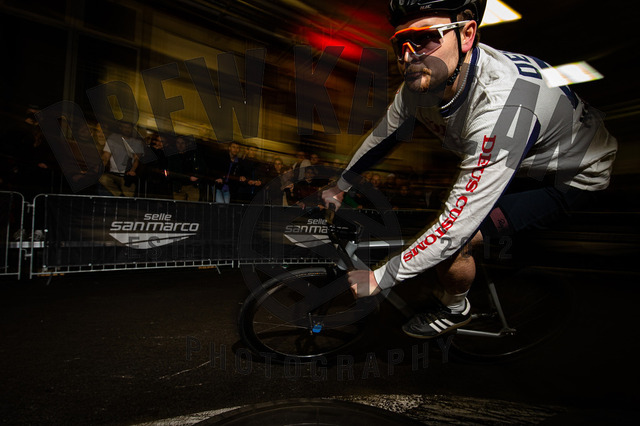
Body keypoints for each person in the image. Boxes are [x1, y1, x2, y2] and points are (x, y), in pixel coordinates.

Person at [322, 0, 617, 339]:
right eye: (400, 43)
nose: (408, 56)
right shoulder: (425, 81)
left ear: (466, 35)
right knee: (448, 222)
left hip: (569, 176)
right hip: (527, 157)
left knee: (457, 243)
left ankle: (455, 307)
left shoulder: (502, 107)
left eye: (425, 38)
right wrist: (340, 185)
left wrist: (379, 278)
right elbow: (385, 137)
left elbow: (453, 229)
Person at [98, 122, 144, 197]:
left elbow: (136, 159)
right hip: (113, 174)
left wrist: (132, 171)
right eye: (125, 127)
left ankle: (123, 198)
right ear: (120, 128)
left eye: (129, 128)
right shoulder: (112, 139)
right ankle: (119, 196)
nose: (127, 129)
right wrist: (100, 168)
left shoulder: (137, 142)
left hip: (127, 176)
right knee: (103, 179)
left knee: (128, 195)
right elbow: (106, 156)